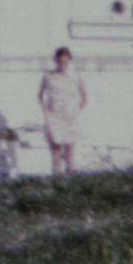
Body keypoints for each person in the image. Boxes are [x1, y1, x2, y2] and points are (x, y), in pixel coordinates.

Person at [38, 46, 87, 174]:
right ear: (55, 60)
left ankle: (70, 174)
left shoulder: (76, 77)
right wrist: (46, 112)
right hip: (54, 116)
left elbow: (85, 98)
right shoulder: (48, 76)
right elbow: (40, 95)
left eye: (65, 61)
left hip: (70, 116)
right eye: (60, 61)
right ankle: (57, 176)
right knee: (55, 150)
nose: (62, 64)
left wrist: (75, 111)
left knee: (70, 148)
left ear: (70, 61)